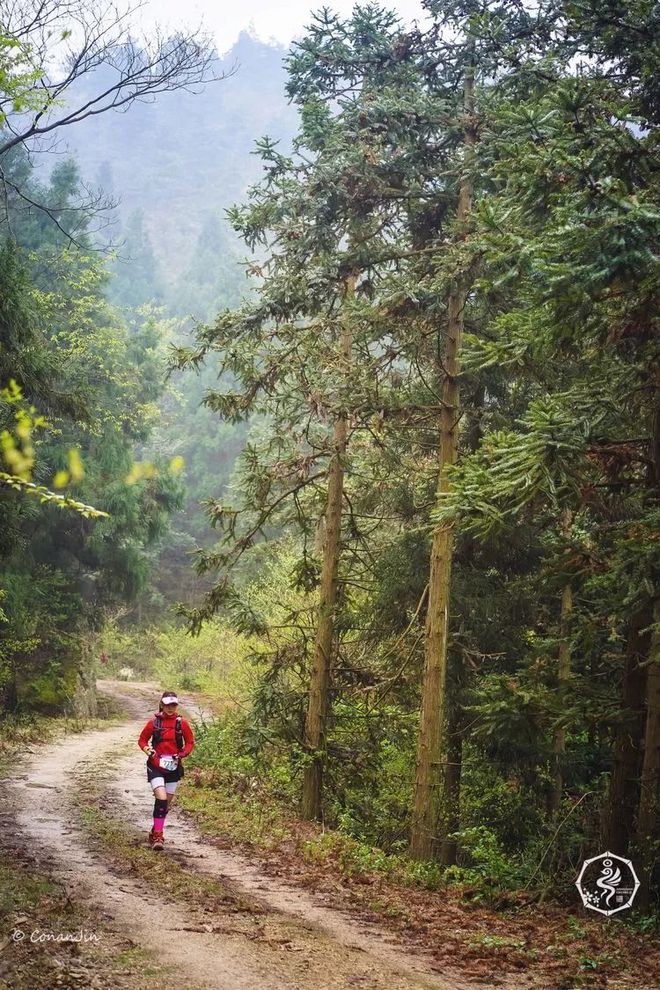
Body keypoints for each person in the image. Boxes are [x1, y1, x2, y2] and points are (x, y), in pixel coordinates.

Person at [137, 691, 195, 850]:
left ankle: (154, 830)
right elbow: (142, 740)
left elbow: (190, 742)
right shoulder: (153, 723)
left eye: (173, 705)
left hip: (173, 766)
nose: (170, 708)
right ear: (162, 705)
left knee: (165, 804)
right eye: (167, 705)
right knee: (161, 799)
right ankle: (158, 836)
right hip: (156, 765)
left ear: (177, 705)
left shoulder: (181, 723)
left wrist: (182, 753)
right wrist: (149, 751)